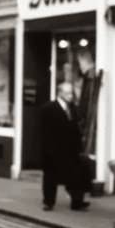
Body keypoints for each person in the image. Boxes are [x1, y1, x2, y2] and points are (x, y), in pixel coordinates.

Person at [40, 81, 90, 211]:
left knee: (76, 175)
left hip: (71, 150)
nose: (71, 96)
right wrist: (46, 150)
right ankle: (49, 202)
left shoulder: (72, 108)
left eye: (71, 93)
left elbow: (75, 129)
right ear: (60, 93)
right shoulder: (48, 108)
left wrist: (79, 146)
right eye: (68, 93)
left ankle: (77, 202)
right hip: (53, 150)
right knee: (50, 177)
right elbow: (43, 131)